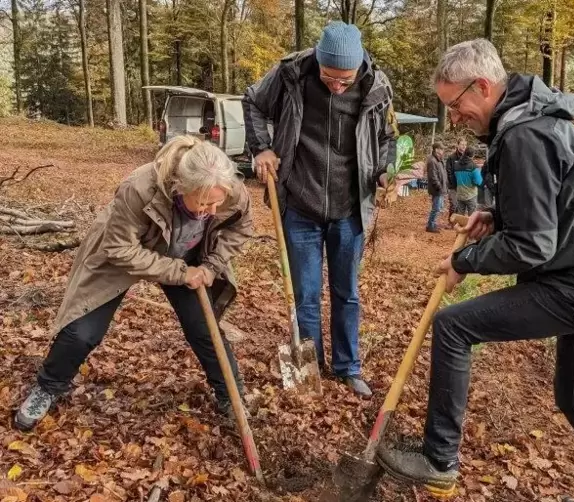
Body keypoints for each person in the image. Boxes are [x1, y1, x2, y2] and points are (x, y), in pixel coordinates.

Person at [377, 39, 574, 502]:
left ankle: (439, 461)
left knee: (452, 326)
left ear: (482, 87)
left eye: (455, 105)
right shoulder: (531, 122)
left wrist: (465, 261)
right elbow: (554, 208)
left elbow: (532, 245)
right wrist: (497, 217)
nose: (454, 117)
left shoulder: (526, 134)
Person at [13, 137, 254, 432]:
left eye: (217, 202)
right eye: (204, 203)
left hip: (189, 258)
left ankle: (231, 396)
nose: (213, 211)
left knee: (204, 328)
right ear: (181, 187)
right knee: (82, 331)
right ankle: (48, 387)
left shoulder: (229, 188)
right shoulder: (140, 189)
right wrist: (179, 272)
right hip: (128, 253)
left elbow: (240, 228)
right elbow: (118, 249)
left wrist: (210, 265)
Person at [242, 21, 397, 398]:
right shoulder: (291, 72)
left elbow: (388, 138)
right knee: (305, 294)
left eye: (345, 79)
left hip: (349, 208)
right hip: (299, 203)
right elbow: (252, 100)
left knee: (347, 293)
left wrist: (384, 173)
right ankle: (310, 367)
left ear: (358, 67)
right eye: (330, 76)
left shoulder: (377, 86)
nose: (337, 85)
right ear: (318, 61)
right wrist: (261, 147)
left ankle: (348, 367)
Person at [453, 146, 483, 215]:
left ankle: (459, 226)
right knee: (471, 217)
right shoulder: (473, 167)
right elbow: (479, 182)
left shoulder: (456, 165)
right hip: (471, 195)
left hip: (460, 194)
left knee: (460, 217)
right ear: (473, 155)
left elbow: (454, 178)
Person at [425, 142, 448, 233]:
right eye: (441, 149)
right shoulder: (432, 161)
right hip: (437, 189)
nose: (443, 151)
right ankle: (430, 225)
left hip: (440, 188)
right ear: (437, 149)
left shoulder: (438, 159)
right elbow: (433, 176)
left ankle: (433, 224)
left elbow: (442, 173)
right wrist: (439, 187)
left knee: (439, 207)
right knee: (436, 208)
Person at [444, 138, 465, 225]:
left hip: (463, 186)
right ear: (458, 145)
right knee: (453, 204)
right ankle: (450, 221)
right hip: (453, 186)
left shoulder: (466, 157)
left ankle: (456, 221)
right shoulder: (451, 157)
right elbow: (449, 171)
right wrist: (454, 182)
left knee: (460, 205)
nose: (463, 147)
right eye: (462, 144)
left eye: (465, 145)